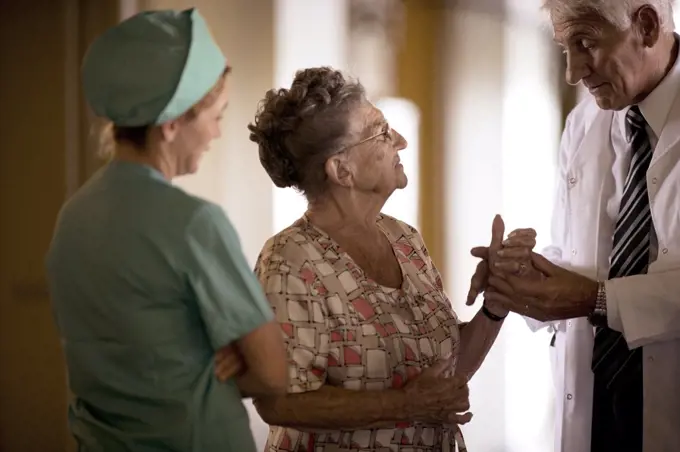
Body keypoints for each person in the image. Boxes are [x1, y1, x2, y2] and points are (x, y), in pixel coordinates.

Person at [219, 67, 533, 452]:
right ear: (341, 170)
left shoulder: (405, 239)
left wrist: (496, 303)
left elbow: (444, 373)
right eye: (381, 132)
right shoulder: (290, 261)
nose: (400, 140)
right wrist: (406, 405)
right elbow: (279, 401)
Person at [45, 8, 287, 452]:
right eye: (215, 114)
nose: (217, 132)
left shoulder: (71, 219)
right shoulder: (195, 223)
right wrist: (238, 358)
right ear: (172, 123)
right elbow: (273, 373)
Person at [473, 1, 680, 451]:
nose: (572, 72)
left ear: (645, 25)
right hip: (596, 402)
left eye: (585, 43)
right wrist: (529, 273)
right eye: (565, 47)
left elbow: (593, 291)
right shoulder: (585, 123)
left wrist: (597, 299)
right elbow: (580, 257)